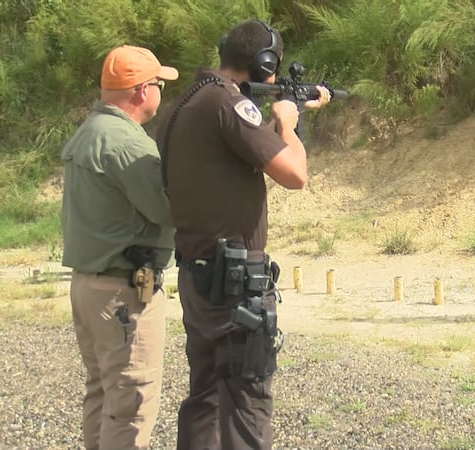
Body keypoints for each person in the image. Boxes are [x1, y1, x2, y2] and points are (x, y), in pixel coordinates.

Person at [156, 19, 331, 449]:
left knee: (206, 399)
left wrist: (290, 112)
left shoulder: (186, 105)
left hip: (199, 277)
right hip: (235, 284)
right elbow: (295, 174)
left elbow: (236, 149)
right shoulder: (228, 105)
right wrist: (287, 124)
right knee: (247, 406)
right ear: (264, 63)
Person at [60, 45, 179, 450]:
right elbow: (167, 209)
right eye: (159, 84)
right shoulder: (129, 143)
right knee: (131, 404)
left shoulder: (91, 130)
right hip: (123, 292)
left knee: (104, 394)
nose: (161, 92)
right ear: (142, 91)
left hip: (91, 287)